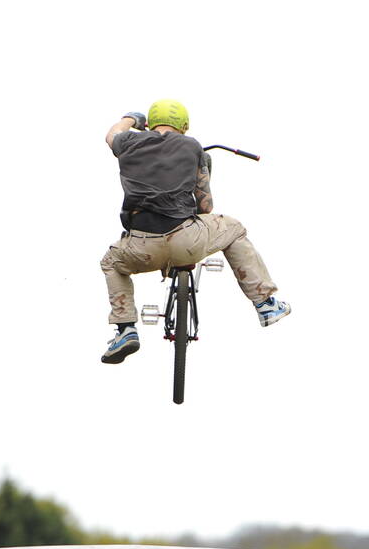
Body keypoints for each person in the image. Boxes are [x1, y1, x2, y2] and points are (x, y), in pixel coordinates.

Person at [99, 99, 290, 364]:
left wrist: (131, 118)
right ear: (184, 126)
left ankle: (125, 328)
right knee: (233, 228)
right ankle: (265, 303)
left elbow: (111, 135)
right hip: (186, 239)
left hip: (140, 246)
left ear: (150, 124)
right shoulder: (192, 147)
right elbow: (205, 206)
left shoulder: (129, 143)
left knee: (111, 263)